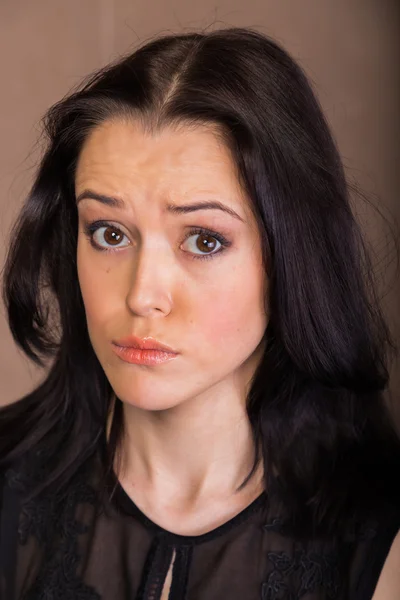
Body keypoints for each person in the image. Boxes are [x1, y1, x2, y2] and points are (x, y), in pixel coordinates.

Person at [0, 26, 399, 600]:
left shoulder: (385, 544)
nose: (142, 296)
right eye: (109, 233)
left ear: (292, 253)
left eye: (205, 241)